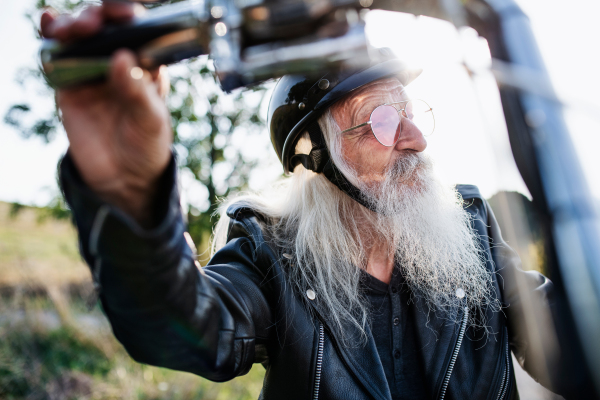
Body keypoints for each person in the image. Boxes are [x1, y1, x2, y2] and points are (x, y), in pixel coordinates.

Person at [41, 3, 556, 399]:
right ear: (315, 159)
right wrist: (133, 194)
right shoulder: (273, 253)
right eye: (381, 118)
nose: (415, 137)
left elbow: (565, 340)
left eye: (410, 111)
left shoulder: (468, 227)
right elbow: (182, 326)